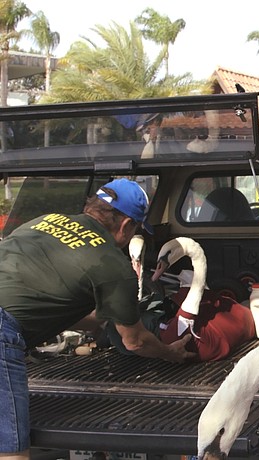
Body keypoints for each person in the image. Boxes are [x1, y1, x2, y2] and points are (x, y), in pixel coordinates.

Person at [0, 178, 195, 460]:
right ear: (127, 225)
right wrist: (169, 353)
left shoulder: (43, 221)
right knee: (11, 453)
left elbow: (37, 296)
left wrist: (101, 321)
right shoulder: (112, 264)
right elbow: (136, 342)